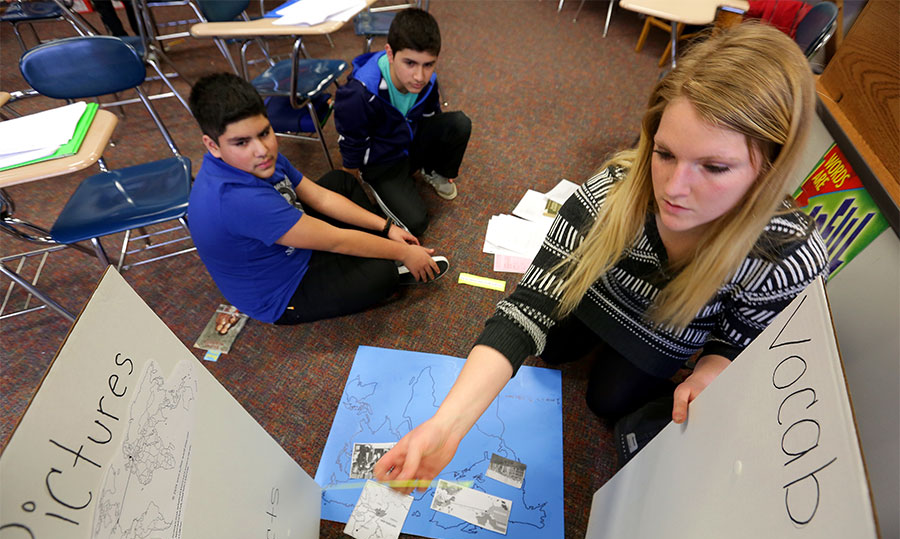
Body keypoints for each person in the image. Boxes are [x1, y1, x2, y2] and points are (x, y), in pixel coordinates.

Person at [374, 23, 829, 488]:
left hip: (667, 328)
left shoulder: (785, 253)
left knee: (607, 401)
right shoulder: (612, 190)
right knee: (549, 347)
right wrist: (446, 426)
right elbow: (527, 307)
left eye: (713, 167)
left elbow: (739, 336)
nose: (673, 189)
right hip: (596, 288)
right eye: (665, 153)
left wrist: (711, 369)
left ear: (770, 166)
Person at [187, 73, 449, 330]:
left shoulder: (257, 160)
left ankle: (376, 251)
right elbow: (336, 240)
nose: (262, 150)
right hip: (282, 292)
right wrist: (403, 253)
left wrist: (386, 228)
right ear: (213, 146)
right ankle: (391, 266)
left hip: (289, 241)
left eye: (264, 133)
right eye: (241, 142)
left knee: (340, 182)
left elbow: (319, 197)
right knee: (381, 277)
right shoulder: (237, 200)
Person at [333, 7, 472, 236]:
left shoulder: (428, 81)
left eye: (428, 64)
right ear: (390, 53)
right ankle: (378, 185)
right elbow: (351, 141)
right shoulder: (359, 94)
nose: (420, 76)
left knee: (459, 123)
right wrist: (351, 188)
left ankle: (431, 171)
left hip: (410, 142)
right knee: (416, 223)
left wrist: (432, 151)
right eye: (410, 63)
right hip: (382, 162)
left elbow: (431, 117)